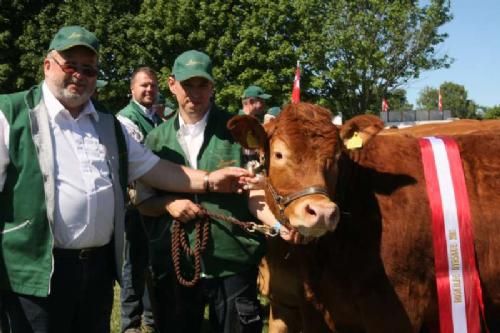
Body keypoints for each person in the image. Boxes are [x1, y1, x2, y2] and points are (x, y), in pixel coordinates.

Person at [0, 26, 251, 333]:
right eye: (71, 65)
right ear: (48, 65)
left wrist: (211, 181)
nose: (80, 75)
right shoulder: (10, 114)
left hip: (97, 272)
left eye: (89, 69)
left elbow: (156, 169)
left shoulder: (108, 124)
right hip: (34, 276)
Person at [136, 50, 277, 333]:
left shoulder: (238, 133)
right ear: (172, 84)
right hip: (177, 266)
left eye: (202, 85)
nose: (195, 93)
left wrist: (278, 226)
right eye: (188, 85)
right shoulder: (155, 139)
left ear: (213, 86)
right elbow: (142, 203)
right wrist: (167, 204)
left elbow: (256, 194)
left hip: (233, 261)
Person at [117, 67, 161, 333]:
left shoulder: (155, 118)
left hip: (155, 199)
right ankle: (130, 323)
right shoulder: (126, 120)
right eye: (144, 85)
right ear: (132, 89)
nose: (149, 90)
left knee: (152, 261)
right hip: (135, 202)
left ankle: (152, 317)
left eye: (153, 86)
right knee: (134, 262)